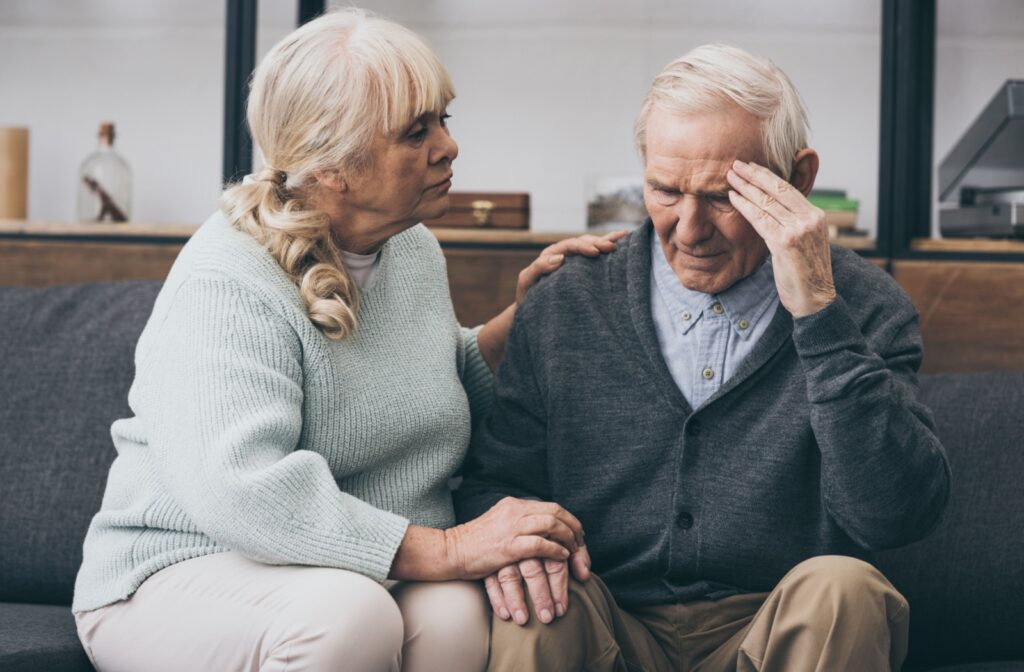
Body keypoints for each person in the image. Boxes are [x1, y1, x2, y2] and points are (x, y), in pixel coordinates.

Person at [71, 9, 622, 672]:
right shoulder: (227, 277)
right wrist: (448, 550)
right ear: (331, 166)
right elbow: (243, 491)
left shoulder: (410, 249)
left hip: (333, 566)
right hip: (175, 571)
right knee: (348, 619)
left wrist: (521, 324)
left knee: (454, 618)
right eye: (415, 132)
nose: (448, 147)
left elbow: (430, 384)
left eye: (444, 119)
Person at [455, 43, 951, 671]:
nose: (688, 229)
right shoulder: (567, 300)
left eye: (722, 196)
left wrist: (821, 316)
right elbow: (493, 484)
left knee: (845, 588)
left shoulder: (866, 305)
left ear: (797, 180)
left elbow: (896, 514)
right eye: (665, 190)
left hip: (775, 630)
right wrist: (517, 539)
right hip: (606, 620)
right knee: (533, 604)